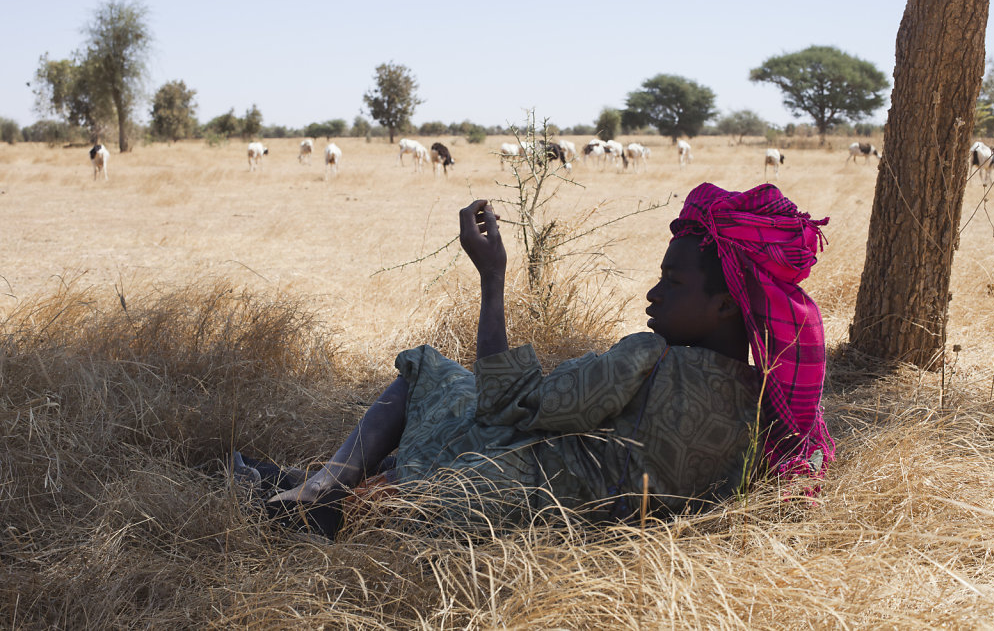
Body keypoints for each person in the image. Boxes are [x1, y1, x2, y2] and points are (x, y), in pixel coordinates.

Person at [238, 182, 833, 537]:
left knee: (428, 371)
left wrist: (493, 278)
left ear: (729, 305)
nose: (653, 295)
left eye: (672, 283)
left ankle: (316, 493)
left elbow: (509, 402)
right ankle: (305, 485)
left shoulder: (650, 358)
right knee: (465, 430)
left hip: (501, 501)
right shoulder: (763, 414)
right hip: (583, 533)